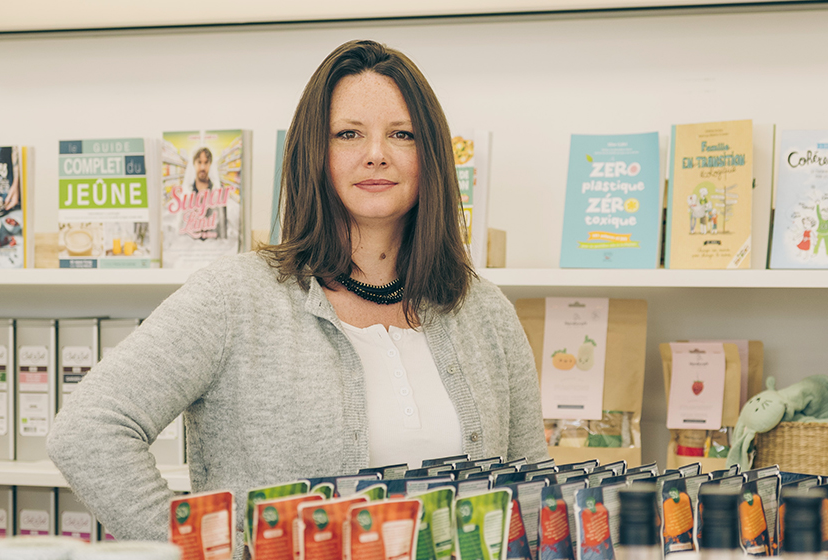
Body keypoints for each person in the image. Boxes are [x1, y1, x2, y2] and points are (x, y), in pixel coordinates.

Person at [47, 39, 549, 551]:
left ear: (432, 157)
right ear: (315, 152)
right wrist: (205, 551)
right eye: (348, 133)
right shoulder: (236, 297)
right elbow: (87, 432)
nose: (376, 154)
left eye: (402, 134)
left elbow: (532, 492)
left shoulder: (483, 310)